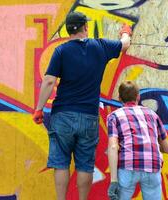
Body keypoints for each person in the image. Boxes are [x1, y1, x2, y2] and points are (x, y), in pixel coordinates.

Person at [32, 11, 132, 200]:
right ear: (85, 27)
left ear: (69, 30)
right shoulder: (100, 46)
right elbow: (124, 45)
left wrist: (39, 108)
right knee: (85, 165)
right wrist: (126, 31)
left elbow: (48, 81)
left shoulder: (61, 51)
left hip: (62, 115)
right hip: (88, 116)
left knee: (61, 163)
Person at [107, 81, 168, 200]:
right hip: (153, 166)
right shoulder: (152, 115)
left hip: (128, 165)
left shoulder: (114, 116)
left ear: (119, 98)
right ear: (138, 96)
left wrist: (114, 180)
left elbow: (113, 147)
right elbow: (167, 148)